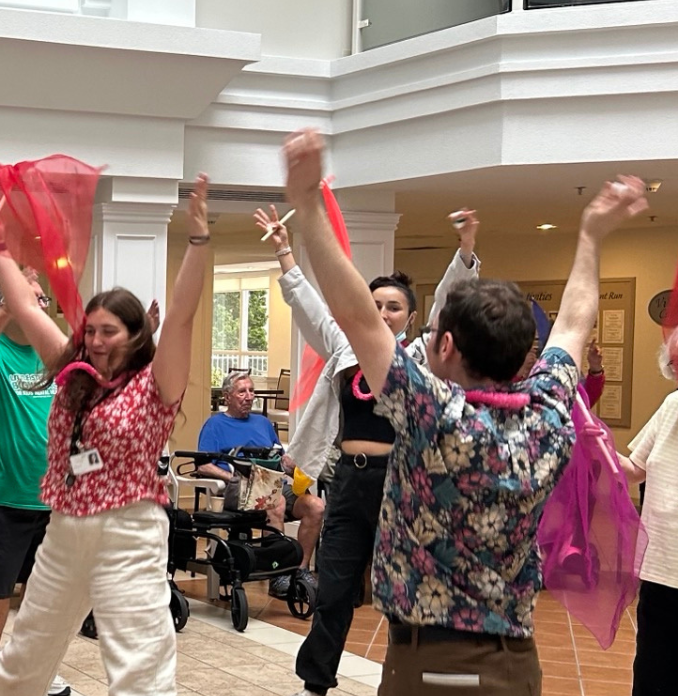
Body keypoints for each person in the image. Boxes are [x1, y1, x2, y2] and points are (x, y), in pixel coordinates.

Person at [282, 127, 646, 696]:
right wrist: (592, 236)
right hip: (517, 664)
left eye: (433, 337)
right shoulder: (549, 412)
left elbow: (356, 316)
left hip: (433, 667)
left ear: (447, 348)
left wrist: (306, 204)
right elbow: (575, 323)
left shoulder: (435, 417)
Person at [0, 175, 212, 696]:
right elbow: (22, 304)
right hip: (65, 526)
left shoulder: (157, 383)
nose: (97, 340)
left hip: (129, 530)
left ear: (135, 336)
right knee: (24, 656)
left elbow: (181, 317)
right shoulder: (72, 368)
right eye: (91, 330)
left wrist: (197, 242)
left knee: (139, 666)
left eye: (109, 331)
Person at [261, 202, 481, 696]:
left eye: (393, 307)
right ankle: (314, 683)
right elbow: (309, 306)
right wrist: (284, 253)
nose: (382, 313)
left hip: (404, 486)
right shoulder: (344, 344)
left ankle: (403, 683)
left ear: (412, 316)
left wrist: (465, 251)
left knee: (402, 592)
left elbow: (451, 303)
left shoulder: (421, 354)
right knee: (334, 588)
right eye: (374, 304)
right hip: (350, 484)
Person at [0, 275, 73, 696]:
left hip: (52, 497)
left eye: (43, 299)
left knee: (46, 590)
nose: (42, 304)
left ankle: (34, 666)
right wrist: (10, 305)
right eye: (33, 298)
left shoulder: (56, 358)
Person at [195, 370, 324, 597]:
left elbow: (279, 459)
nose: (249, 396)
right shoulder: (215, 425)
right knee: (277, 502)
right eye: (242, 391)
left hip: (272, 483)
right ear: (227, 397)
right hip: (238, 489)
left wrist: (295, 470)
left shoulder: (263, 423)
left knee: (315, 506)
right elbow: (202, 465)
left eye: (251, 391)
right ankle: (277, 575)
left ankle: (299, 570)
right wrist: (233, 478)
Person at [619, 331, 678, 696]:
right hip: (660, 568)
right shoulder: (673, 405)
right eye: (676, 365)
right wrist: (595, 443)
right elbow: (635, 469)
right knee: (654, 673)